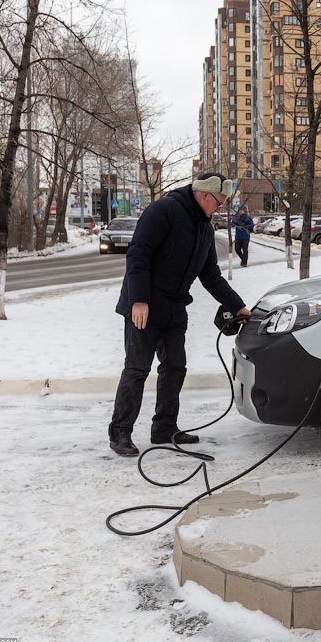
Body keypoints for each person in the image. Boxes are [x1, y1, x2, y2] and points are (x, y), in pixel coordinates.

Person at [107, 172, 252, 457]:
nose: (221, 208)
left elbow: (210, 274)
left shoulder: (204, 228)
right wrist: (138, 300)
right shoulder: (164, 211)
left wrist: (237, 306)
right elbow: (138, 254)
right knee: (137, 370)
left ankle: (164, 427)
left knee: (175, 368)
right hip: (144, 307)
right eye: (219, 203)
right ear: (204, 196)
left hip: (174, 308)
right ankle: (120, 433)